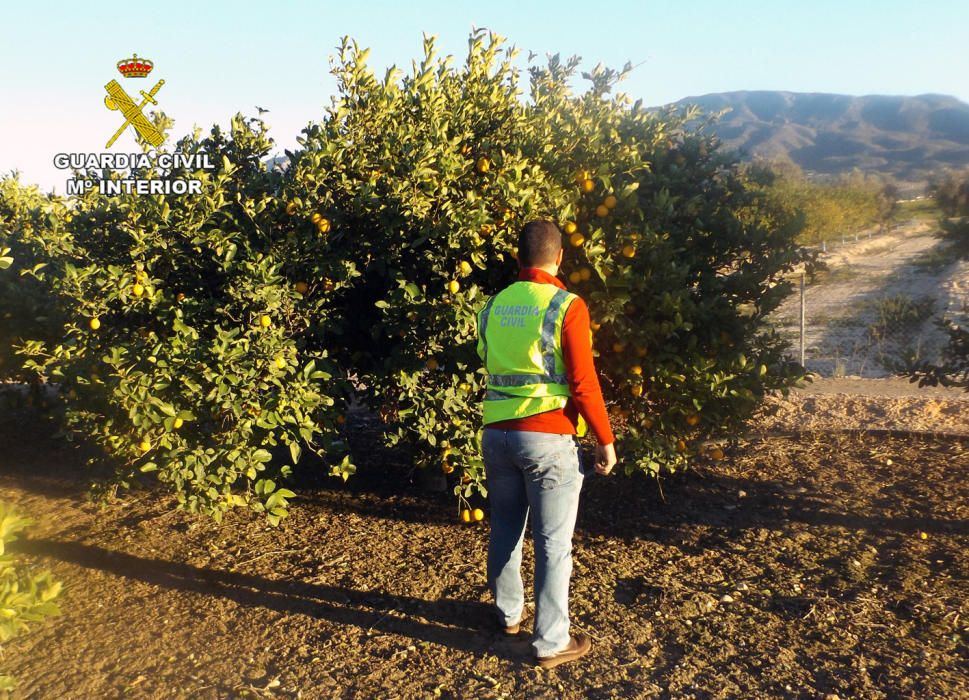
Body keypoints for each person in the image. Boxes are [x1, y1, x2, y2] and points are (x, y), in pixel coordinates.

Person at [475, 220, 617, 669]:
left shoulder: (493, 305)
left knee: (505, 527)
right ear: (559, 259)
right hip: (548, 438)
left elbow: (489, 361)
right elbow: (582, 381)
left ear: (517, 259)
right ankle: (552, 640)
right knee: (553, 542)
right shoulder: (566, 305)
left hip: (496, 435)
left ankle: (508, 616)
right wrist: (604, 438)